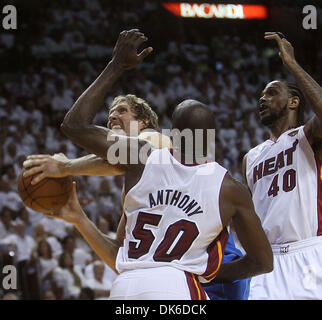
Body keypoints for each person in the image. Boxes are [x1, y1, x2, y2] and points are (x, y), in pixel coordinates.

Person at [36, 29, 272, 299]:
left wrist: (66, 167)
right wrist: (79, 218)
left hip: (149, 282)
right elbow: (121, 257)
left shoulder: (147, 145)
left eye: (121, 111)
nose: (112, 117)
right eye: (110, 113)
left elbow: (79, 130)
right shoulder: (148, 179)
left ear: (157, 126)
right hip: (169, 277)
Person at [243, 32, 322, 300]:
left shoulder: (307, 136)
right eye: (261, 95)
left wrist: (292, 64)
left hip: (308, 251)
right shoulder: (251, 156)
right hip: (266, 263)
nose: (262, 99)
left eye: (272, 93)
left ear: (294, 101)